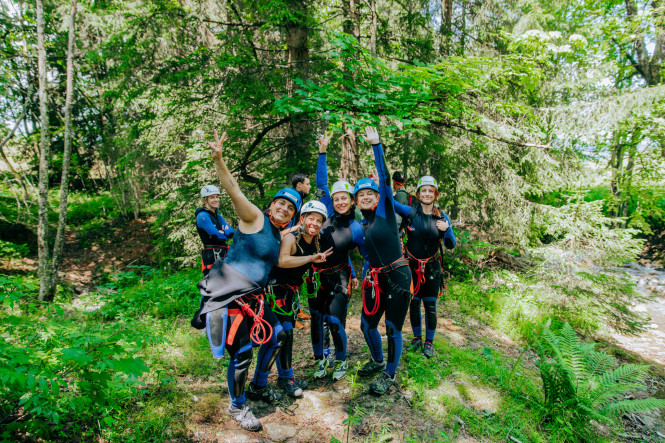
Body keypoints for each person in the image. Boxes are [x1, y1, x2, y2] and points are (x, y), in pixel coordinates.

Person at [191, 130, 326, 432]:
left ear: (293, 215)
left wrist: (310, 252)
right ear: (272, 204)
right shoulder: (254, 218)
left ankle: (259, 386)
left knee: (277, 335)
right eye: (281, 203)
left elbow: (281, 260)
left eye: (290, 208)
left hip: (255, 297)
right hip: (231, 295)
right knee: (241, 354)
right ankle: (237, 407)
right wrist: (218, 160)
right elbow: (234, 190)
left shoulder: (280, 233)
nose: (284, 208)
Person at [356, 127, 413, 396]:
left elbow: (386, 178)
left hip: (398, 275)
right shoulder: (361, 226)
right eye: (361, 196)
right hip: (375, 278)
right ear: (357, 201)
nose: (365, 197)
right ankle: (377, 360)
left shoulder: (385, 212)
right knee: (366, 324)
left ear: (378, 198)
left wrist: (376, 146)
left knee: (392, 328)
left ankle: (389, 374)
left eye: (370, 194)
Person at [311, 133, 366, 381]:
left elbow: (365, 253)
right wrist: (323, 152)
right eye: (336, 199)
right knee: (318, 322)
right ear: (332, 201)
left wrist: (359, 274)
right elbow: (322, 182)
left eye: (344, 198)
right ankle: (322, 359)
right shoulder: (326, 218)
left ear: (352, 200)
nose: (340, 202)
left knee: (335, 322)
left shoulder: (356, 227)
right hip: (317, 278)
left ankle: (341, 361)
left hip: (340, 279)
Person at [268, 200, 331, 397]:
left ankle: (286, 376)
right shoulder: (291, 237)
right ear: (302, 218)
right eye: (311, 218)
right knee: (284, 334)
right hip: (275, 291)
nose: (314, 223)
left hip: (290, 293)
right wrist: (311, 259)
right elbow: (283, 260)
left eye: (319, 220)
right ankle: (282, 380)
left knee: (287, 335)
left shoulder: (314, 238)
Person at [402, 176, 456, 358]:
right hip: (412, 266)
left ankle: (429, 342)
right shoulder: (411, 213)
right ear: (418, 194)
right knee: (414, 303)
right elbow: (391, 203)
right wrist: (380, 183)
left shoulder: (442, 216)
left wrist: (446, 229)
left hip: (432, 268)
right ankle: (417, 338)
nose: (427, 194)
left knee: (430, 306)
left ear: (435, 194)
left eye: (430, 191)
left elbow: (451, 244)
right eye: (423, 190)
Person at [196, 185, 235, 275]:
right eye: (212, 197)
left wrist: (223, 232)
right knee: (214, 286)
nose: (216, 200)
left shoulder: (218, 216)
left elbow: (231, 232)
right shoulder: (202, 216)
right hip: (212, 256)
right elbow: (217, 236)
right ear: (205, 200)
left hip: (222, 255)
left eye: (217, 197)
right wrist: (222, 233)